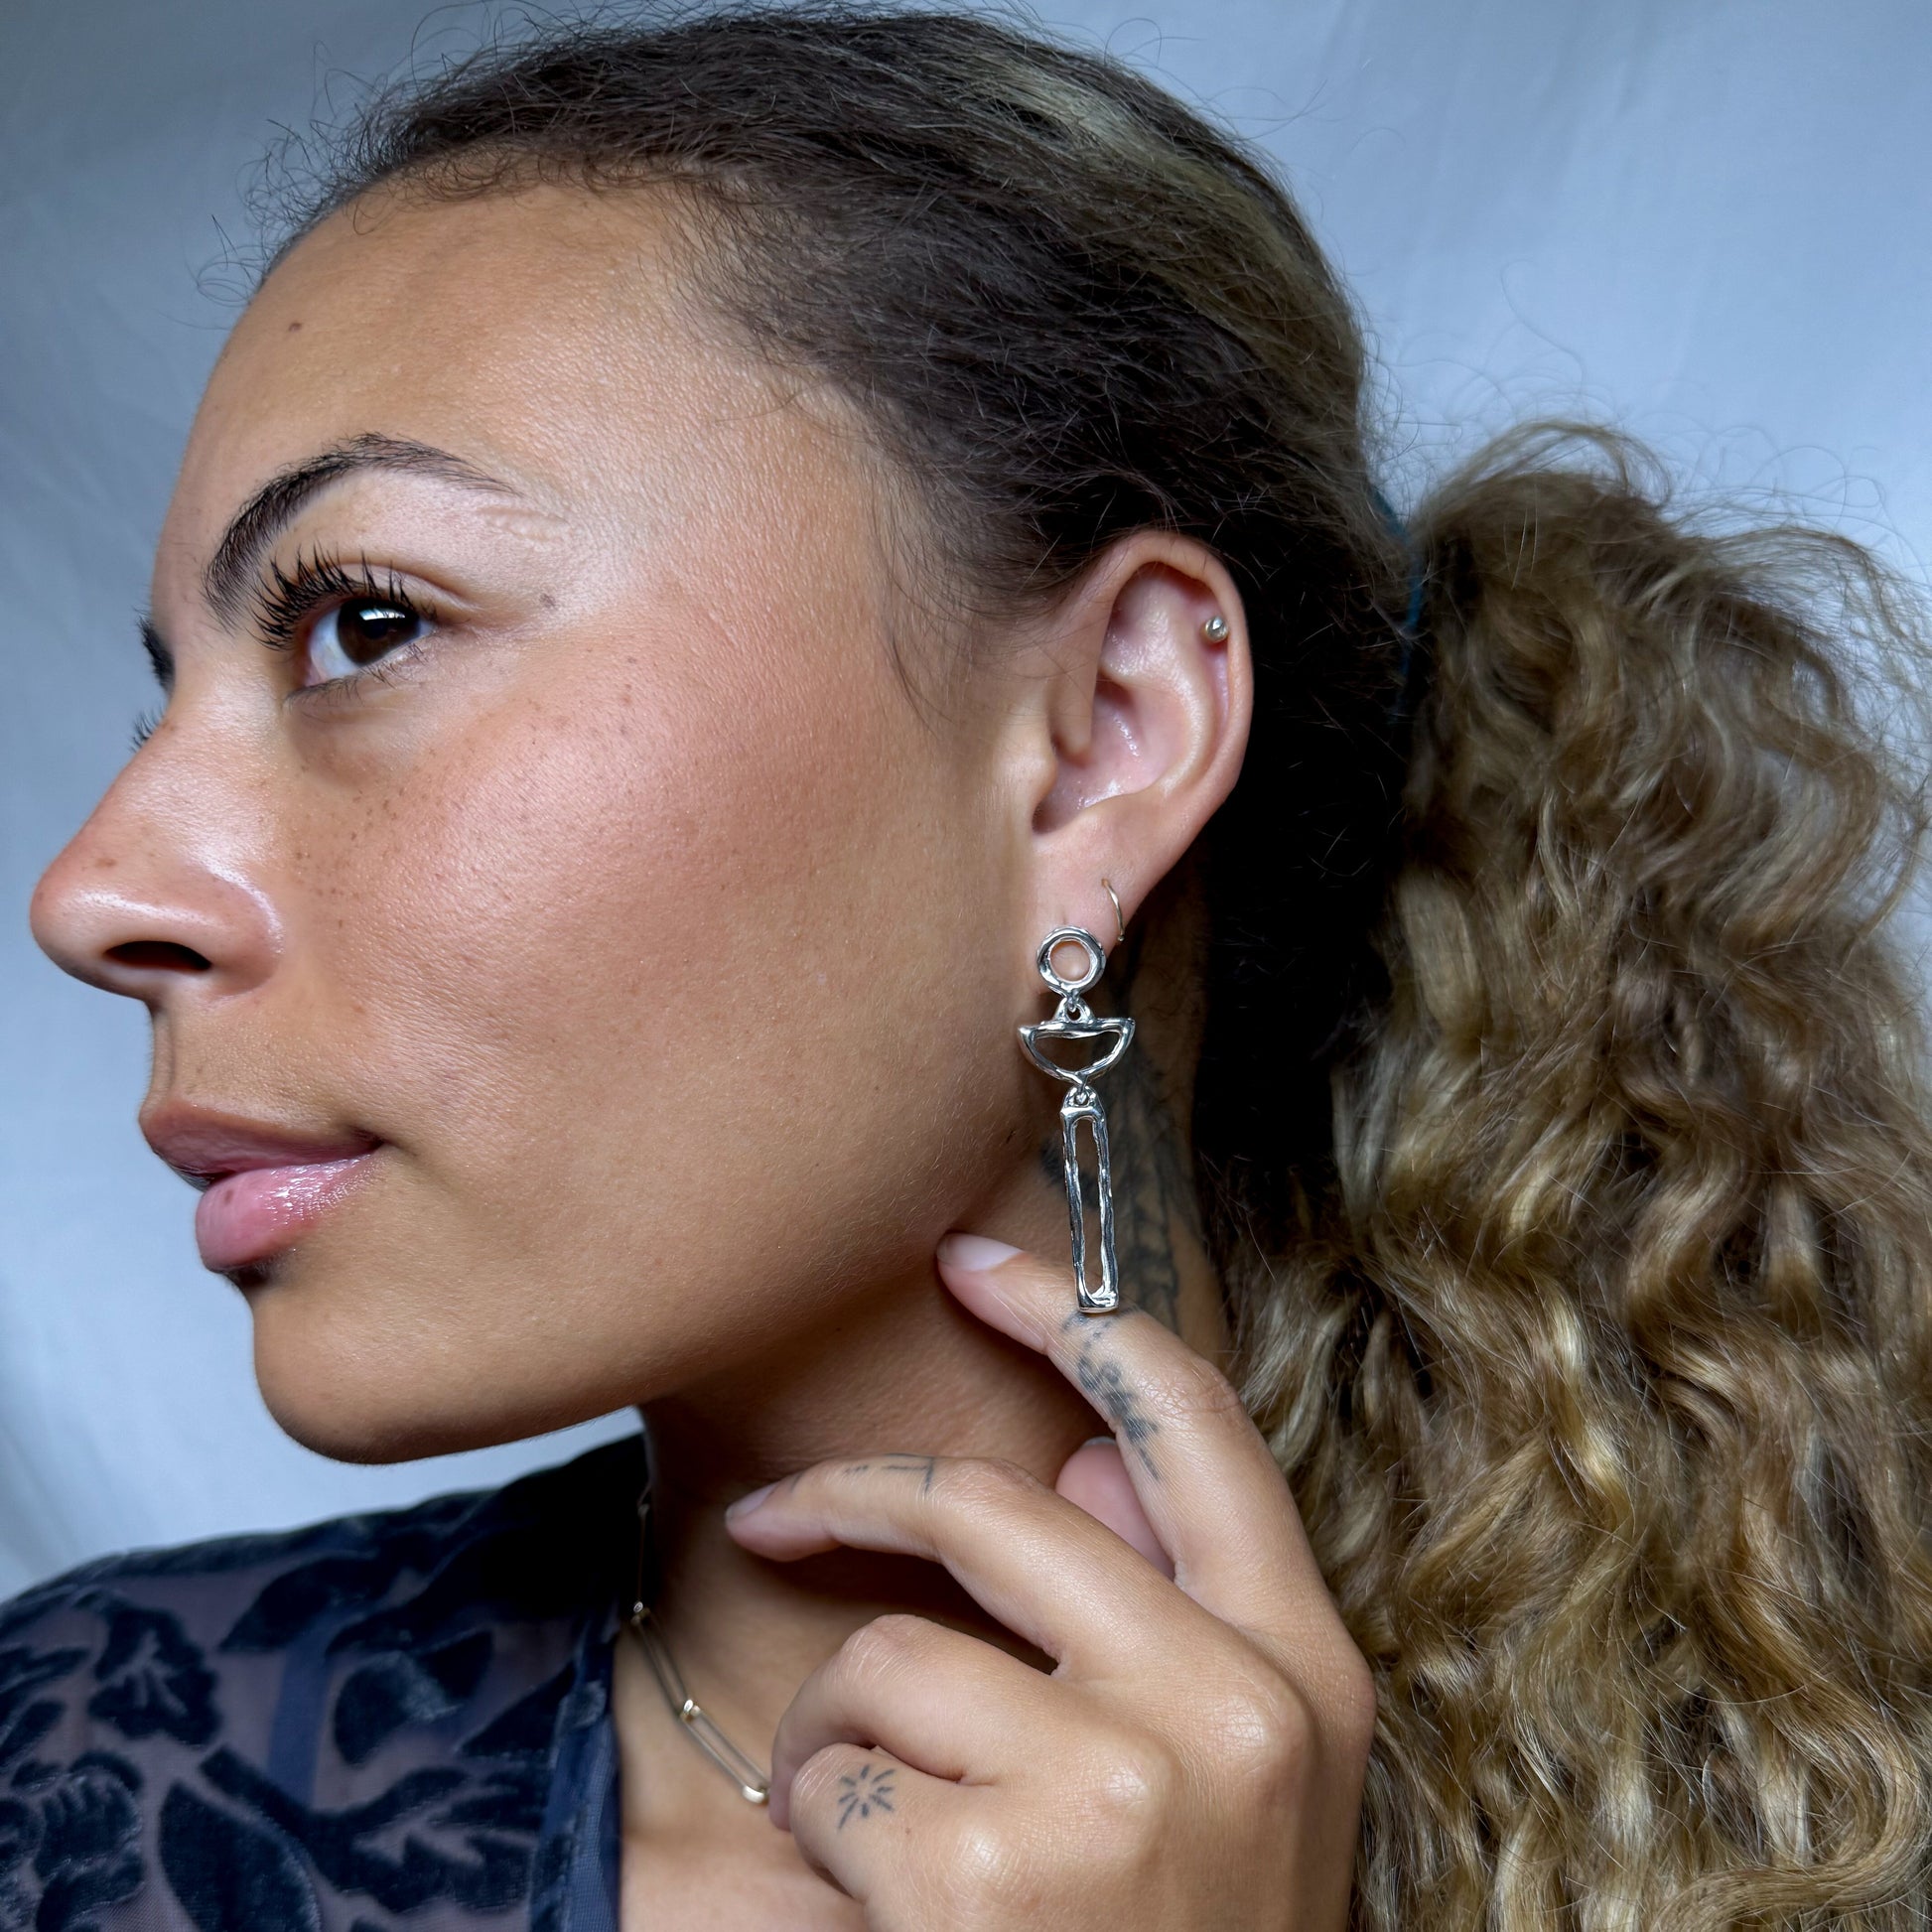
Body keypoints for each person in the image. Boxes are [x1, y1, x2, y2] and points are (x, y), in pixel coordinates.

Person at [13, 5, 1932, 1928]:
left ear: (1104, 737)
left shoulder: (1853, 1793)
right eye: (167, 697)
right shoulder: (87, 1798)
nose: (93, 892)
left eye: (366, 623)